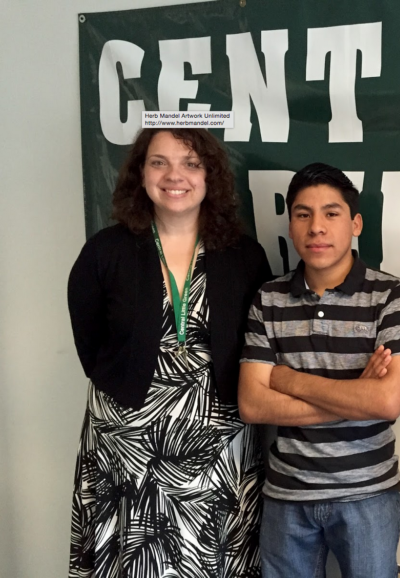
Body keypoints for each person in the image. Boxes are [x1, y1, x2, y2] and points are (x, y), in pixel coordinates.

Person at [67, 128, 273, 578]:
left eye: (190, 163)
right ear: (140, 174)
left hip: (218, 447)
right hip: (127, 446)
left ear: (210, 176)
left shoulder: (245, 255)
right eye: (159, 162)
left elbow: (258, 346)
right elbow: (90, 343)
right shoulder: (105, 252)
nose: (174, 175)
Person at [238, 163, 400, 578]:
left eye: (331, 213)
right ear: (290, 223)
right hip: (285, 496)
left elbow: (387, 401)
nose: (316, 227)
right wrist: (356, 396)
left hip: (368, 495)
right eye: (303, 214)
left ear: (355, 223)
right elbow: (251, 403)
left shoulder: (391, 294)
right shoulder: (268, 298)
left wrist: (287, 380)